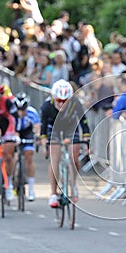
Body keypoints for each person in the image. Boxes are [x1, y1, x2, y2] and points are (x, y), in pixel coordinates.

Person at [40, 79, 90, 207]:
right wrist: (44, 143)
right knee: (54, 159)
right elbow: (43, 128)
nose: (61, 104)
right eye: (59, 101)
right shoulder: (46, 106)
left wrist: (86, 140)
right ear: (53, 98)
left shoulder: (76, 104)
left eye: (65, 101)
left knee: (74, 156)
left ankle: (73, 183)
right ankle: (53, 193)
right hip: (54, 129)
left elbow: (84, 122)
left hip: (70, 128)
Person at [13, 92, 41, 201]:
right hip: (14, 132)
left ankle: (31, 188)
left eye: (23, 110)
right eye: (18, 110)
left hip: (27, 133)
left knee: (29, 157)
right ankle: (12, 179)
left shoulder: (32, 113)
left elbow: (37, 127)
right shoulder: (11, 113)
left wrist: (37, 136)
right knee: (13, 156)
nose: (20, 113)